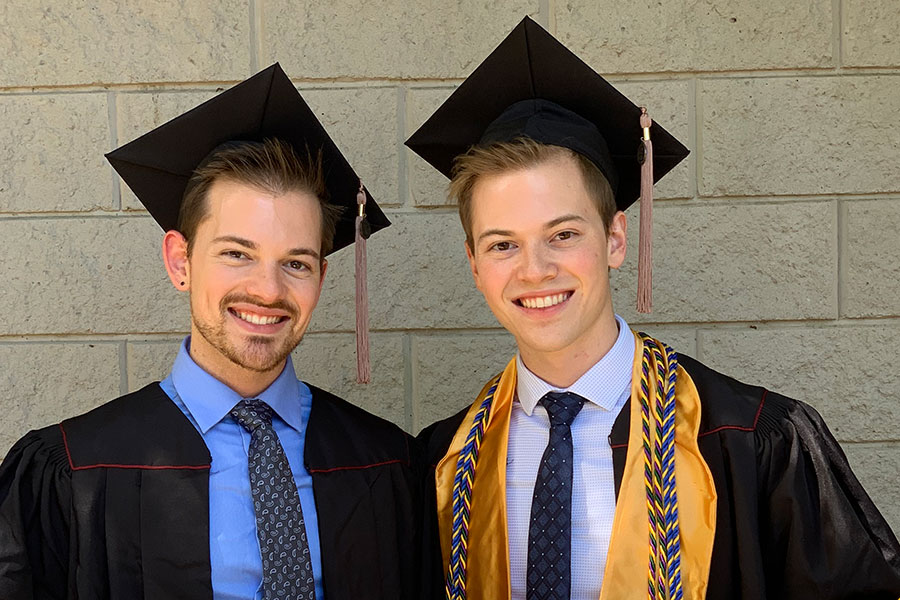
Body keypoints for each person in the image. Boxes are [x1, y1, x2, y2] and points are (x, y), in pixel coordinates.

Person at [407, 17, 900, 600]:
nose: (534, 269)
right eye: (502, 244)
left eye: (563, 234)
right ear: (473, 264)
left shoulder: (747, 440)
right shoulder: (442, 462)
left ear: (615, 238)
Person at [0, 64, 420, 600]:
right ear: (181, 261)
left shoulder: (387, 464)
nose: (267, 290)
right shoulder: (73, 469)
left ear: (321, 275)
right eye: (236, 253)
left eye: (296, 262)